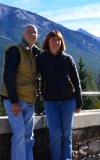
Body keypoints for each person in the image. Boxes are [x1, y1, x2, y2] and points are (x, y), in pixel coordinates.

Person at [37, 30, 83, 160]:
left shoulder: (67, 59)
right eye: (53, 40)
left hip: (68, 101)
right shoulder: (41, 59)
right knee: (55, 134)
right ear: (48, 41)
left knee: (66, 134)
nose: (56, 42)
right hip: (51, 102)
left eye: (58, 40)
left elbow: (76, 81)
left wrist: (79, 103)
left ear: (61, 42)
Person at [0, 24, 40, 160]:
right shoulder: (15, 51)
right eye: (29, 31)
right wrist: (14, 101)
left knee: (29, 136)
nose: (32, 34)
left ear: (37, 36)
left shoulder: (34, 53)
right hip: (15, 101)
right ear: (23, 35)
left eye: (34, 32)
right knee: (19, 134)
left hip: (29, 100)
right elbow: (8, 75)